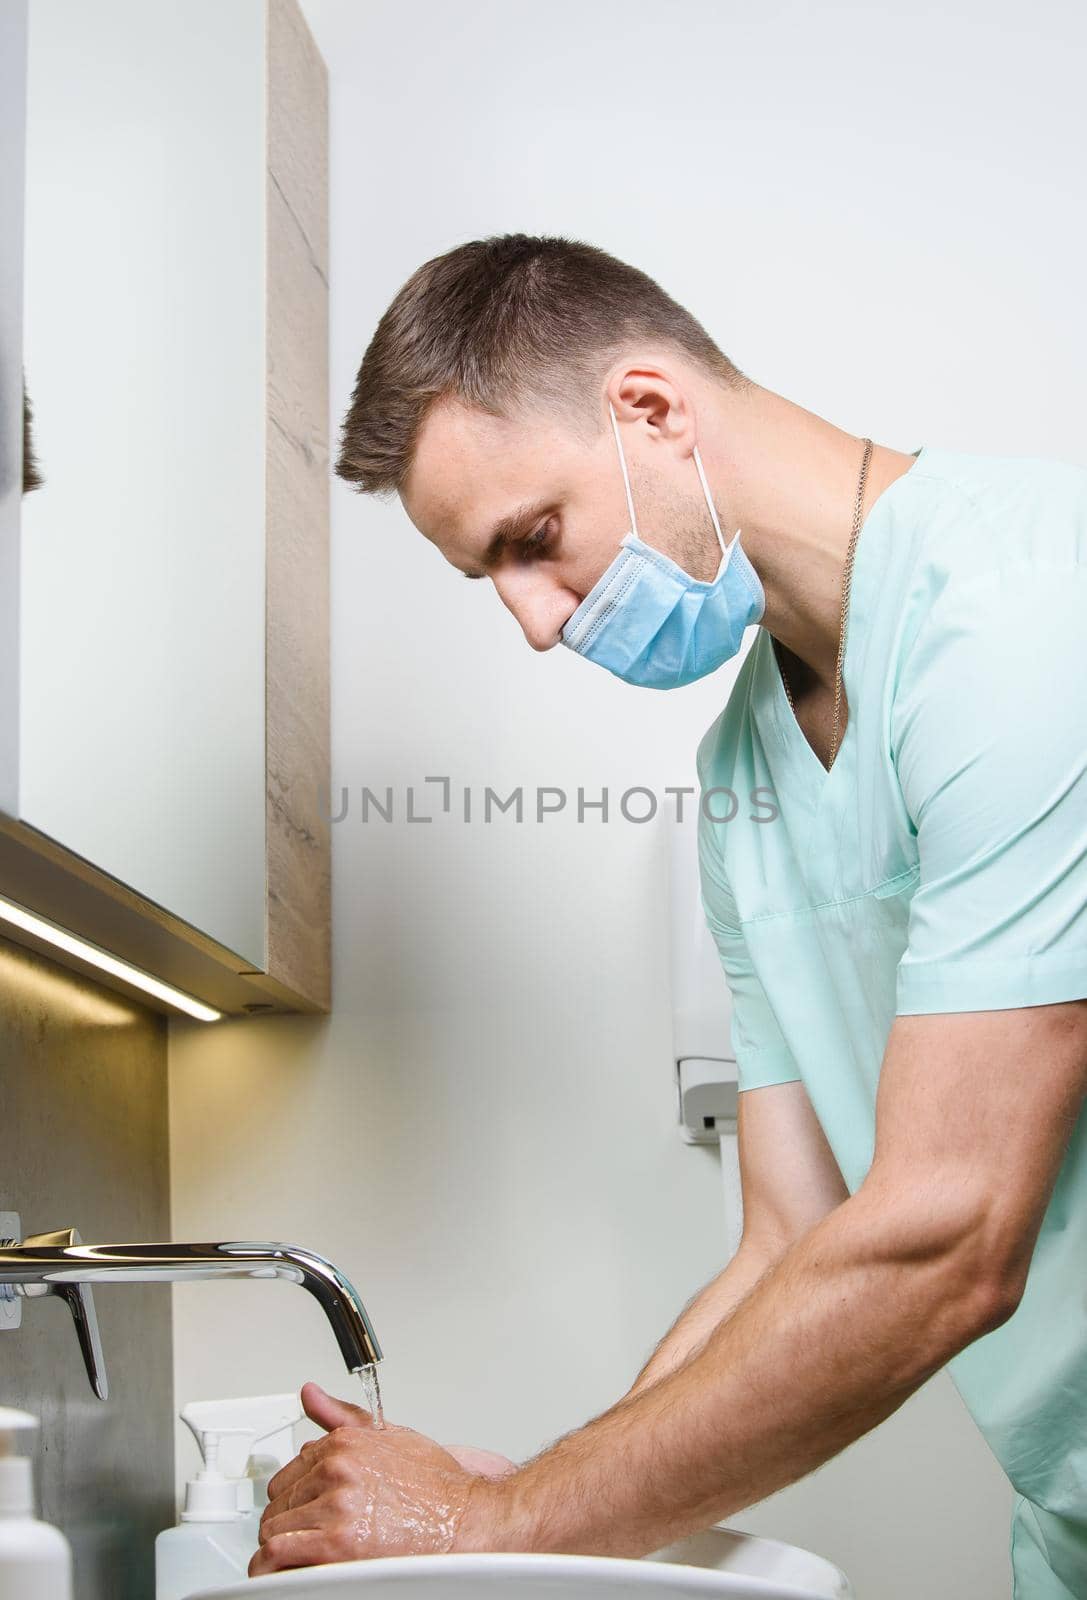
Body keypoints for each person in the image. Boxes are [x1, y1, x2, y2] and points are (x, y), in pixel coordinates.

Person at [250, 234, 1087, 1597]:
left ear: (649, 408)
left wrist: (500, 1521)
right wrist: (509, 1526)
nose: (531, 621)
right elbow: (789, 1241)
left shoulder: (1028, 619)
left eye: (531, 542)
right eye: (491, 580)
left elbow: (949, 1235)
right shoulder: (742, 773)